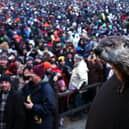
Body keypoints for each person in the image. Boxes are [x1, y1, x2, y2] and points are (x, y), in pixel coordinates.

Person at [22, 64, 58, 129]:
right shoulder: (29, 85)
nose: (30, 76)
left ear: (38, 76)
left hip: (43, 124)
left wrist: (33, 107)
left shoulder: (46, 89)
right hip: (31, 122)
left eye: (32, 74)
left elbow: (50, 108)